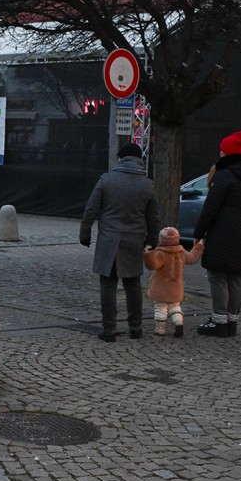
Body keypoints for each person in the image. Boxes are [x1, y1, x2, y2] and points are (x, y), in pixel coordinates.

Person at [79, 142, 161, 342]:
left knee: (108, 285)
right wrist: (152, 240)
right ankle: (136, 327)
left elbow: (91, 209)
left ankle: (109, 329)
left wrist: (85, 233)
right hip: (134, 241)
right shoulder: (147, 185)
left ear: (121, 159)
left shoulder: (107, 180)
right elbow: (154, 218)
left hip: (109, 240)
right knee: (133, 285)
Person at [192, 130, 241, 337]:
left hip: (224, 232)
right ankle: (232, 322)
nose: (220, 153)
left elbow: (210, 208)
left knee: (217, 274)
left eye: (222, 150)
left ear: (228, 152)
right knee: (236, 275)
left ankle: (219, 320)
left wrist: (198, 233)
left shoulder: (224, 176)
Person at [143, 227, 204, 337]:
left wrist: (148, 253)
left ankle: (160, 329)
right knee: (175, 307)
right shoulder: (181, 252)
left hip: (160, 289)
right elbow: (193, 258)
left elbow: (152, 265)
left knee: (160, 307)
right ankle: (178, 323)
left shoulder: (160, 253)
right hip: (176, 289)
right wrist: (199, 246)